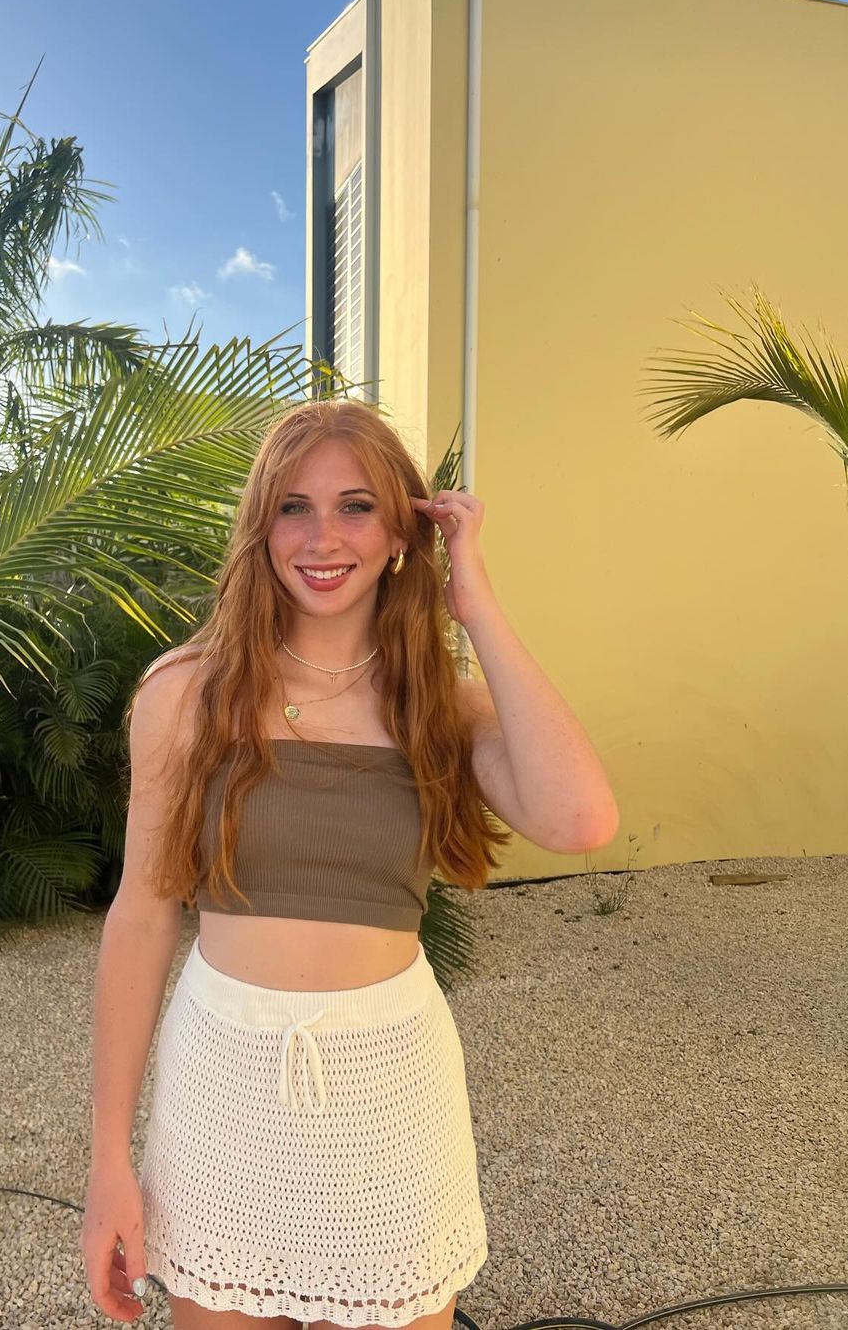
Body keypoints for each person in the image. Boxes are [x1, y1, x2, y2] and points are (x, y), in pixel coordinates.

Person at [81, 398, 516, 1328]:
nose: (323, 537)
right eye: (294, 507)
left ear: (401, 533)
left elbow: (582, 812)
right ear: (261, 528)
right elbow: (143, 915)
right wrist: (108, 1160)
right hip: (221, 1086)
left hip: (390, 1090)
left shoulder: (443, 705)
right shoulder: (186, 693)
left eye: (357, 506)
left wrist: (475, 607)